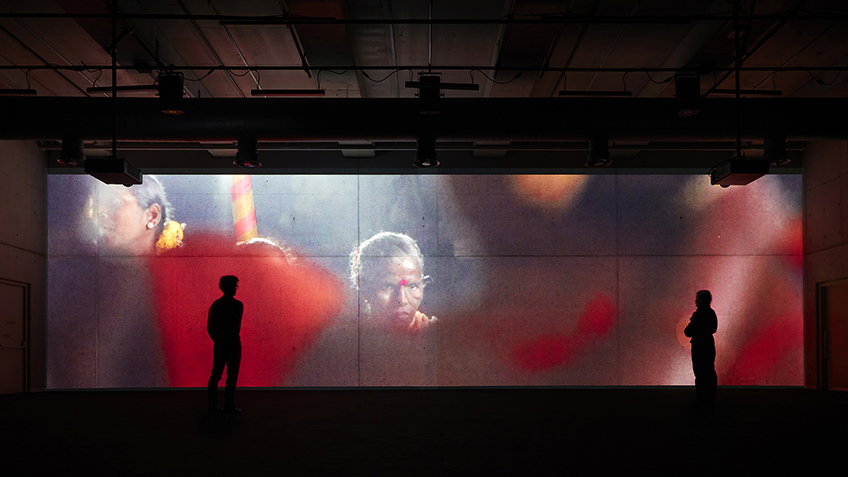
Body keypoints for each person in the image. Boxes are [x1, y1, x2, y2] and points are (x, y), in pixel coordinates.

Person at [350, 232, 437, 385]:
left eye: (412, 286)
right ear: (364, 288)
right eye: (388, 286)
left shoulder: (439, 339)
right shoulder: (347, 347)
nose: (402, 299)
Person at [207, 275, 244, 413]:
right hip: (234, 344)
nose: (235, 289)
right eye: (235, 286)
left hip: (221, 344)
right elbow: (235, 327)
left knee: (216, 375)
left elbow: (210, 327)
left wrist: (218, 341)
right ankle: (229, 405)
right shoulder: (238, 305)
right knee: (232, 375)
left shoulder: (216, 305)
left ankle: (212, 405)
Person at [684, 290, 718, 408]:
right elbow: (714, 329)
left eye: (697, 298)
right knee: (709, 372)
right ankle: (710, 398)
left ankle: (701, 400)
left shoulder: (698, 315)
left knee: (700, 373)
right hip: (708, 345)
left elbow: (688, 332)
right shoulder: (711, 313)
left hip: (699, 346)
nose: (695, 301)